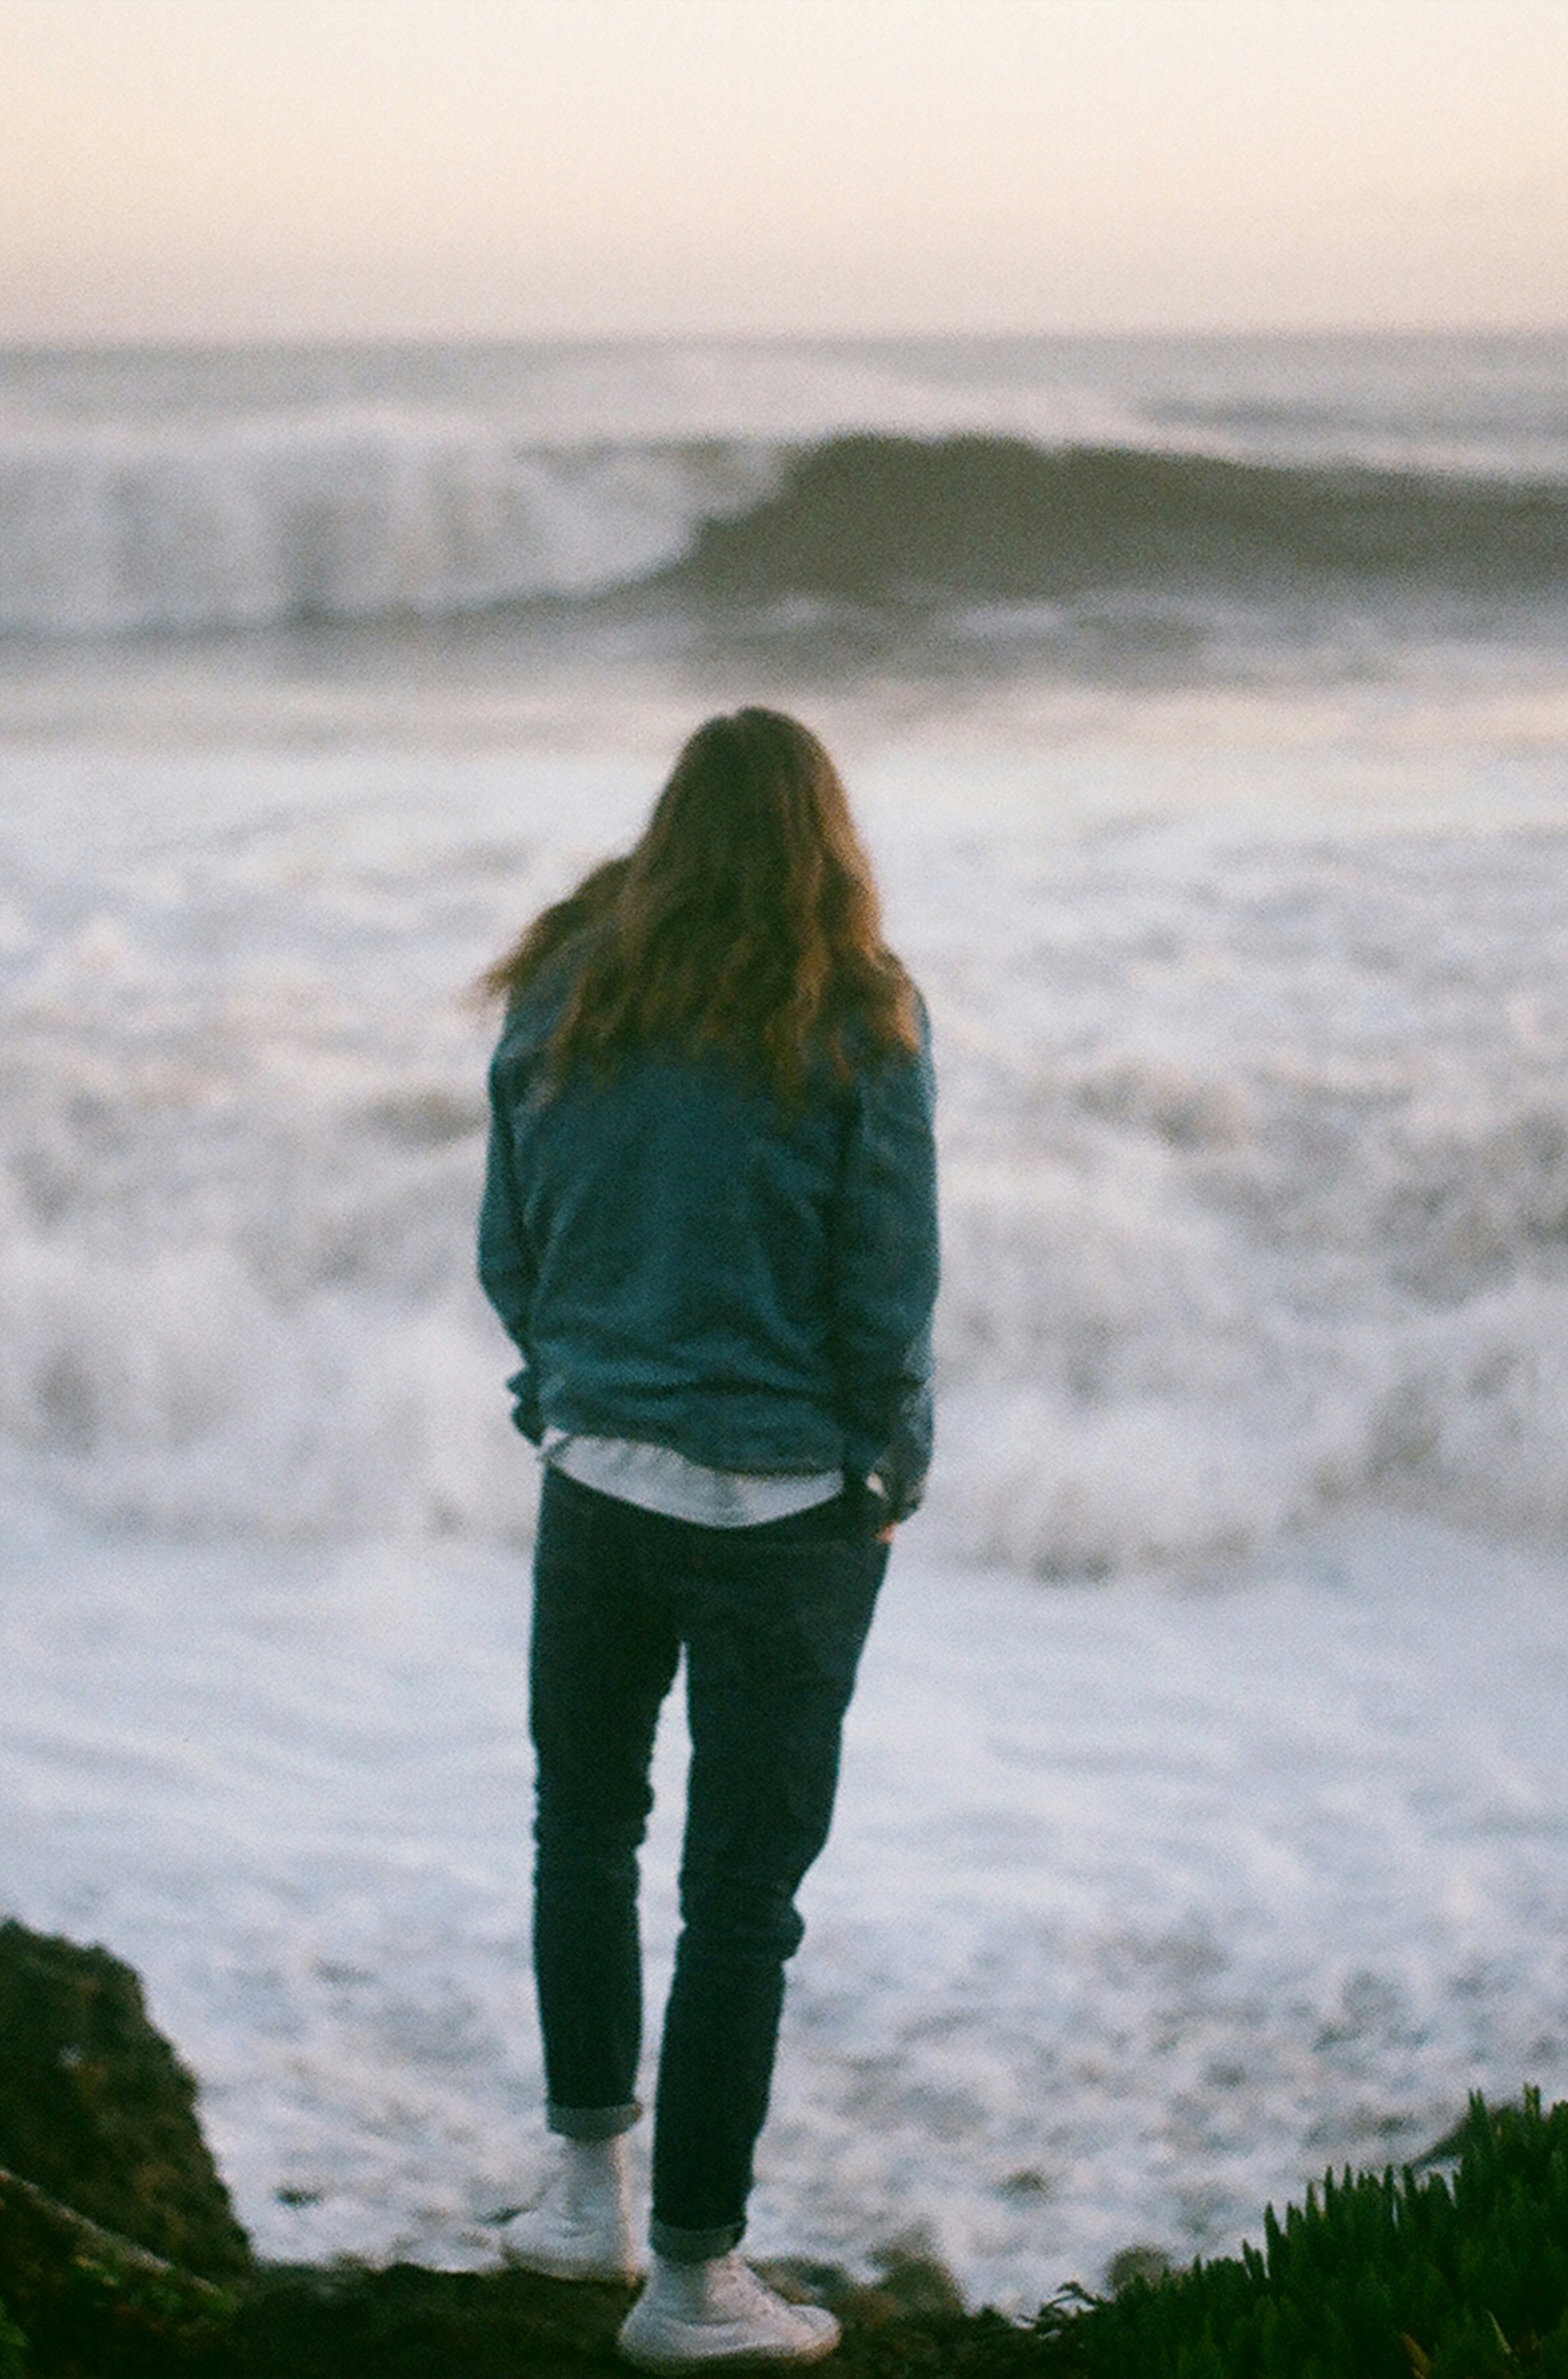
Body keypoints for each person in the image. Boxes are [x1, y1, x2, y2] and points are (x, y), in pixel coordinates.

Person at [475, 708, 937, 2370]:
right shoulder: (861, 1020)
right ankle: (690, 2284)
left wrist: (566, 1395)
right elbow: (886, 1296)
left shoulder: (570, 986)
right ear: (826, 838)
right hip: (780, 1518)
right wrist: (884, 1469)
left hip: (596, 1486)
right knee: (740, 1902)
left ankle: (586, 2188)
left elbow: (509, 1246)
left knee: (583, 1824)